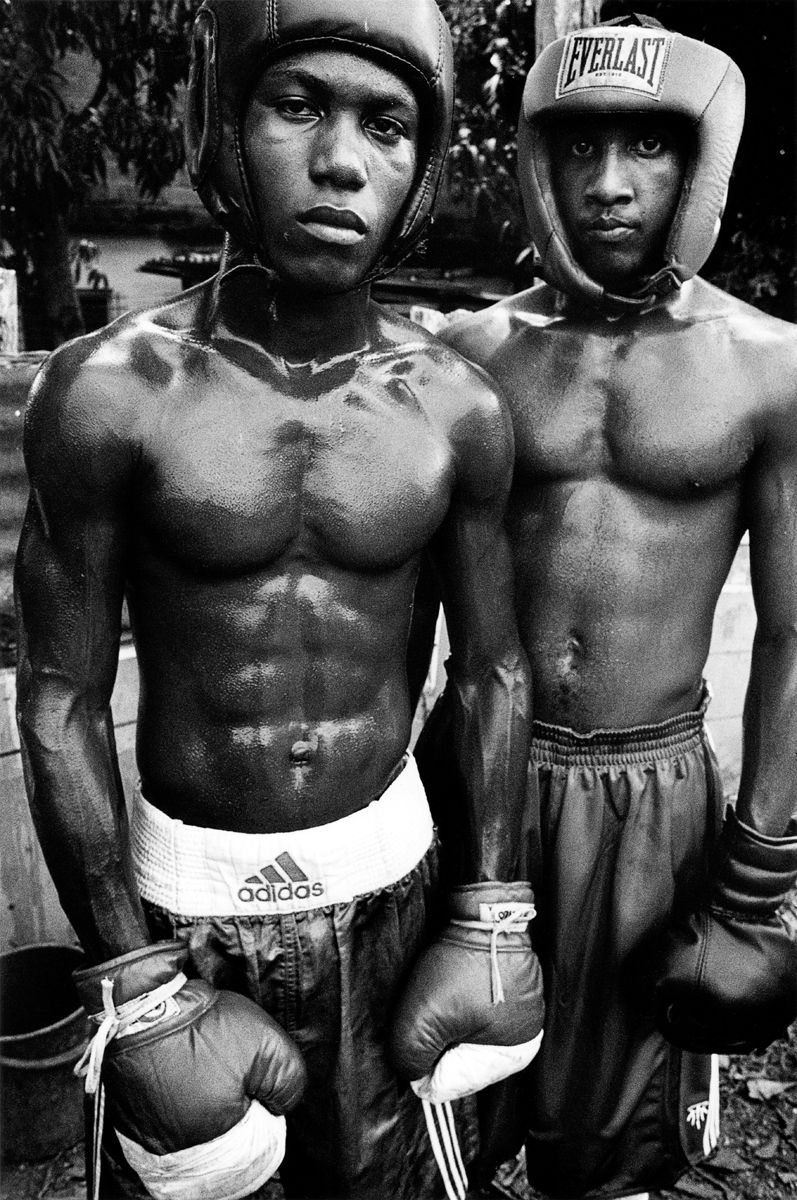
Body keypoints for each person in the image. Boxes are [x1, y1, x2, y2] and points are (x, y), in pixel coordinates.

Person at [14, 3, 546, 1199]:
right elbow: (58, 699)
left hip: (395, 893)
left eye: (388, 124)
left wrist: (494, 906)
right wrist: (135, 982)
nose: (342, 159)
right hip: (181, 909)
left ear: (418, 169)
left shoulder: (455, 406)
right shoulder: (107, 394)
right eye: (297, 105)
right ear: (224, 128)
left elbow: (496, 672)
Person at [419, 13, 797, 1200]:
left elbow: (793, 634)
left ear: (698, 164)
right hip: (477, 773)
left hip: (654, 794)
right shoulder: (466, 353)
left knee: (617, 1146)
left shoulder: (767, 365)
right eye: (579, 148)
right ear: (537, 159)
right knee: (450, 1115)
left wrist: (756, 879)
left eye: (646, 146)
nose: (609, 184)